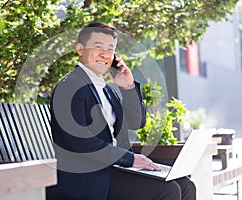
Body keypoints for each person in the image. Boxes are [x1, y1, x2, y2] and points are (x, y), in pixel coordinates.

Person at [46, 22, 196, 200]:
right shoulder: (69, 86)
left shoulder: (106, 90)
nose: (105, 54)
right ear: (80, 49)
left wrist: (128, 87)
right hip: (88, 177)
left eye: (110, 49)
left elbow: (136, 122)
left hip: (113, 170)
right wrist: (129, 159)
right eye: (98, 46)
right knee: (168, 190)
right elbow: (79, 140)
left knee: (186, 185)